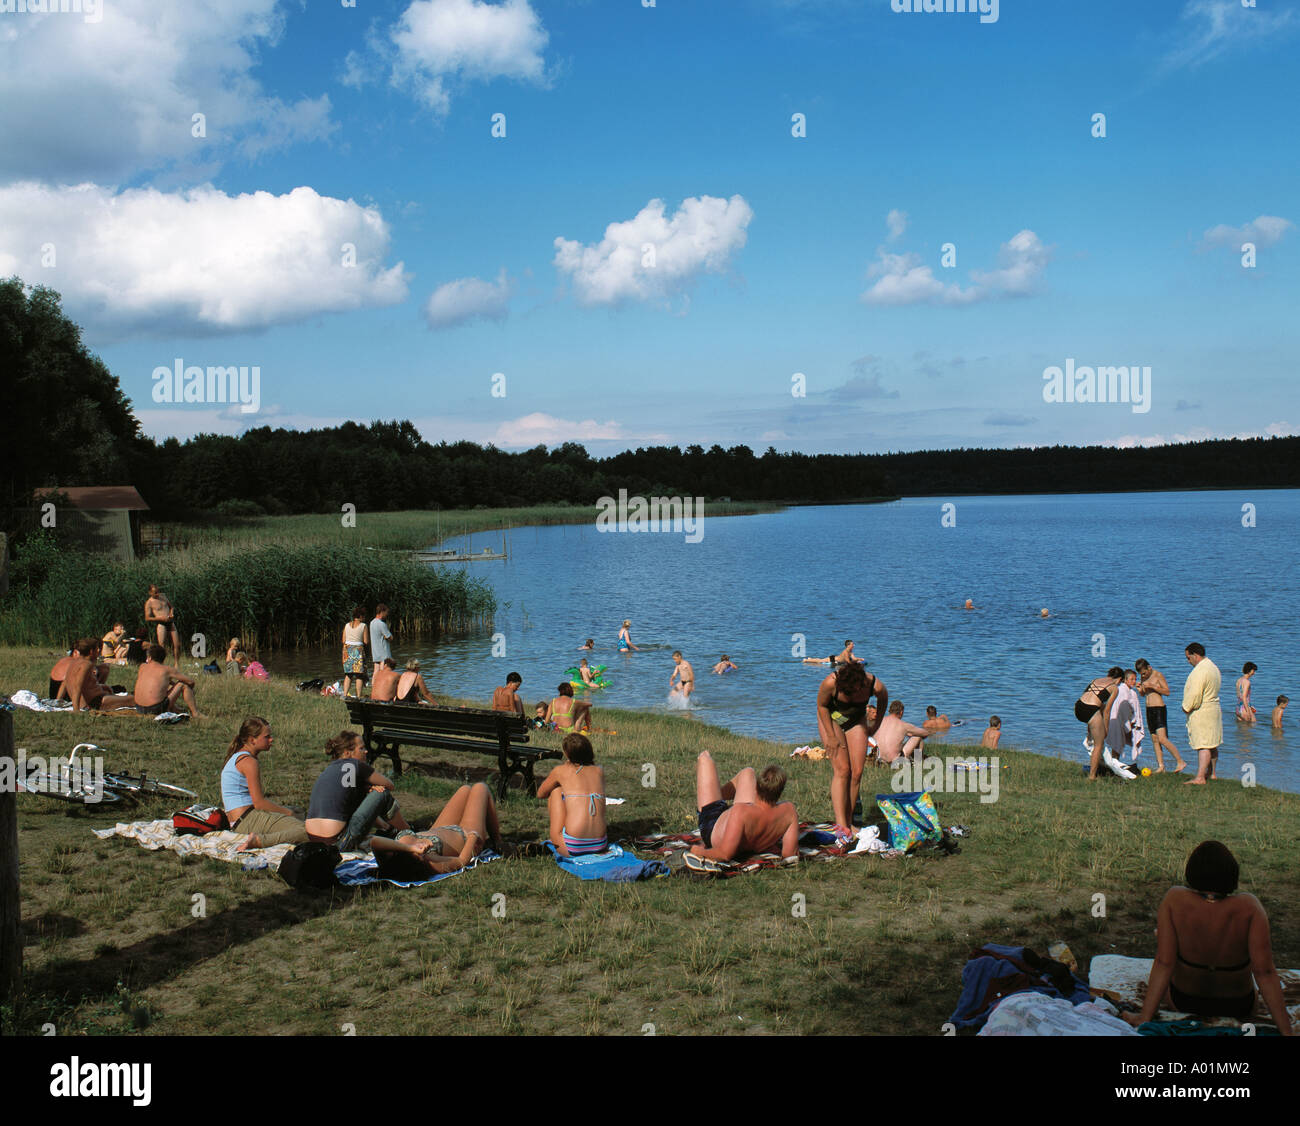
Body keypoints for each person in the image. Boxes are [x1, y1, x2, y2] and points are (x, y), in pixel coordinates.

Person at [1121, 841, 1293, 1034]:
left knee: (1165, 943)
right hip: (1238, 1006)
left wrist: (1144, 1017)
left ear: (1192, 871)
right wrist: (1287, 1032)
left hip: (1185, 1000)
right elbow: (1265, 973)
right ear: (1232, 873)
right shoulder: (1250, 907)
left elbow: (1164, 962)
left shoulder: (1174, 899)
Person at [304, 730, 410, 850]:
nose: (366, 751)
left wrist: (365, 789)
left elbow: (352, 804)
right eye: (361, 748)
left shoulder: (330, 770)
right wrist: (370, 787)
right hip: (339, 842)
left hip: (315, 841)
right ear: (347, 753)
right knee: (382, 793)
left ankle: (389, 829)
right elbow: (390, 785)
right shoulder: (354, 764)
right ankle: (408, 832)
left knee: (369, 797)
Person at [369, 783, 504, 877]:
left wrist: (410, 849)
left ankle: (496, 840)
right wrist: (472, 838)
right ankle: (498, 841)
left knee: (465, 789)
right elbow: (461, 861)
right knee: (480, 788)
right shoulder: (430, 862)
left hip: (439, 829)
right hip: (465, 834)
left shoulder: (391, 855)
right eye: (420, 856)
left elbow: (373, 841)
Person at [816, 661, 887, 838]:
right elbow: (822, 706)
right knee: (843, 770)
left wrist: (875, 726)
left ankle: (849, 822)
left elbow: (883, 699)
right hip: (831, 719)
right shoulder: (830, 682)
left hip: (856, 720)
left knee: (856, 772)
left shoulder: (873, 684)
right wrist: (831, 736)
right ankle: (841, 826)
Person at [691, 751, 798, 862]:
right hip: (743, 826)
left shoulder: (740, 811)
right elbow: (789, 854)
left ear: (756, 788)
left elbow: (724, 854)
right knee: (748, 772)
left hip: (712, 824)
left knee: (704, 757)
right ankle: (715, 795)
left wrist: (697, 851)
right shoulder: (789, 811)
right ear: (779, 792)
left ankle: (714, 797)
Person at [221, 717, 309, 851]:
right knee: (306, 831)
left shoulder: (239, 756)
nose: (271, 739)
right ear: (252, 740)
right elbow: (259, 803)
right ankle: (259, 841)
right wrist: (288, 813)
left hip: (241, 818)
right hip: (247, 819)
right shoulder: (249, 762)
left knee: (299, 812)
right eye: (267, 737)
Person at [537, 733, 608, 856]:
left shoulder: (560, 771)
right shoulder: (599, 771)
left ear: (568, 754)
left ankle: (557, 838)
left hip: (573, 846)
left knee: (556, 791)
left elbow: (541, 793)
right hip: (600, 844)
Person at [1135, 658, 1188, 774]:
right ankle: (1161, 766)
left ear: (1149, 667)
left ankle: (1180, 761)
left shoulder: (1158, 675)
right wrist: (1140, 690)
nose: (1143, 675)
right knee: (1154, 739)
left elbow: (1167, 692)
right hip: (1149, 709)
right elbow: (1145, 694)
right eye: (1141, 674)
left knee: (1162, 739)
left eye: (1144, 673)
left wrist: (1153, 686)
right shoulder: (1143, 677)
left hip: (1159, 709)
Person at [1182, 643, 1223, 786]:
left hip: (1203, 711)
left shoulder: (1200, 671)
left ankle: (1200, 777)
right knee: (1212, 743)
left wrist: (1186, 707)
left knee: (1203, 744)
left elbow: (1195, 694)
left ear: (1195, 655)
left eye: (1188, 658)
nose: (1188, 661)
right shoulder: (1213, 667)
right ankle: (1212, 773)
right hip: (1214, 709)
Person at [1076, 666, 1124, 780]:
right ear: (1119, 679)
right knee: (1099, 744)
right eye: (1120, 683)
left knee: (1094, 729)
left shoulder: (1096, 680)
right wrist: (1106, 729)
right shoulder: (1114, 688)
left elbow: (1094, 702)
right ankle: (1092, 776)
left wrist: (1090, 730)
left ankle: (1099, 766)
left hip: (1078, 707)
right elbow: (1107, 711)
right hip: (1091, 710)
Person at [133, 644, 204, 717]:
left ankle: (175, 709)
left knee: (165, 686)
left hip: (139, 707)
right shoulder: (167, 670)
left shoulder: (142, 666)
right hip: (155, 709)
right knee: (182, 684)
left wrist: (171, 684)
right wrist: (190, 690)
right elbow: (191, 681)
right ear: (163, 658)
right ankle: (196, 713)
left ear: (150, 657)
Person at [65, 639, 134, 712]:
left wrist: (103, 687)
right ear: (91, 651)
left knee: (127, 698)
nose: (99, 650)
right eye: (97, 648)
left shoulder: (74, 663)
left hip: (95, 699)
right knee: (134, 700)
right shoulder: (86, 665)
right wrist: (76, 710)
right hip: (96, 702)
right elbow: (77, 687)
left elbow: (74, 684)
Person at [873, 701, 931, 765]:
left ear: (890, 710)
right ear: (901, 712)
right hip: (895, 760)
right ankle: (918, 761)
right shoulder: (903, 725)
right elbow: (925, 733)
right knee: (918, 736)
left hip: (879, 759)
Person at [143, 584, 181, 665]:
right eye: (155, 592)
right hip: (161, 623)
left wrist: (171, 613)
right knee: (162, 646)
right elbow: (147, 618)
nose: (157, 594)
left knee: (177, 644)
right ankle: (161, 663)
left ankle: (176, 663)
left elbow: (171, 607)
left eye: (158, 591)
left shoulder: (163, 596)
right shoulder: (149, 603)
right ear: (150, 592)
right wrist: (160, 618)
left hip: (170, 622)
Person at [341, 607, 368, 698]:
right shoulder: (363, 626)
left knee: (348, 674)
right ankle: (359, 696)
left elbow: (343, 640)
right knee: (359, 675)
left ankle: (345, 694)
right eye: (363, 616)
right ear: (360, 616)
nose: (364, 618)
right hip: (358, 651)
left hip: (347, 650)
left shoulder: (346, 625)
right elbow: (366, 641)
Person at [369, 603, 394, 677]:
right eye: (386, 612)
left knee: (376, 671)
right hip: (384, 653)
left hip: (375, 652)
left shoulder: (372, 623)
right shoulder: (382, 624)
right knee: (384, 672)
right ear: (382, 612)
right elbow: (390, 637)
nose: (387, 614)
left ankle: (374, 687)